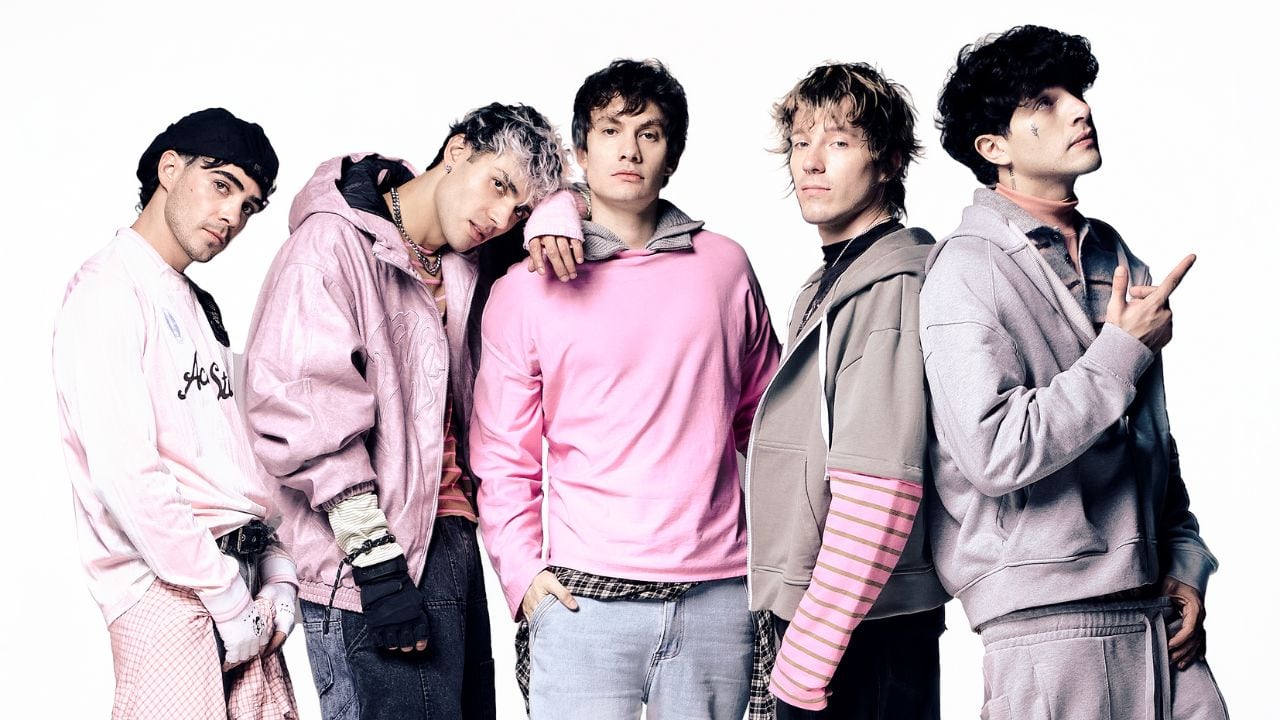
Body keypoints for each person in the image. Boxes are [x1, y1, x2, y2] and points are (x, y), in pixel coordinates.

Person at [923, 24, 1228, 719]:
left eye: (1076, 93)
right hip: (1048, 622)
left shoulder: (1113, 254)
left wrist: (1186, 563)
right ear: (993, 148)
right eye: (1045, 101)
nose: (1079, 109)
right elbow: (994, 451)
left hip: (1154, 612)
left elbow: (1150, 442)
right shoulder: (966, 268)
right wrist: (1120, 350)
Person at [469, 59, 781, 720]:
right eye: (611, 131)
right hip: (584, 601)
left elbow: (771, 423)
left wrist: (777, 564)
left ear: (673, 157)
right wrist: (524, 576)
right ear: (581, 152)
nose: (630, 150)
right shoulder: (525, 289)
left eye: (650, 133)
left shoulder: (725, 268)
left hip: (717, 595)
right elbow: (502, 455)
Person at [241, 102, 566, 720]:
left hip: (452, 537)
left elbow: (603, 204)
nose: (501, 218)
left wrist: (556, 213)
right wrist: (378, 565)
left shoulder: (470, 262)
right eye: (499, 185)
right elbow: (297, 410)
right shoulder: (332, 245)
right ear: (458, 151)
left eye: (520, 210)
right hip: (370, 558)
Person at [52, 107, 299, 719]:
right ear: (170, 169)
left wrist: (277, 569)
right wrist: (225, 595)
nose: (232, 216)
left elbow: (235, 457)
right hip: (166, 593)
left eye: (248, 206)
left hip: (238, 582)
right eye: (221, 185)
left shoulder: (198, 305)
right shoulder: (108, 290)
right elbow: (126, 473)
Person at [746, 62, 950, 719]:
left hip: (862, 631)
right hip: (829, 618)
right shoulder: (828, 285)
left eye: (838, 142)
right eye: (800, 142)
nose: (811, 161)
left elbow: (883, 487)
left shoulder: (892, 288)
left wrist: (807, 656)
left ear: (888, 161)